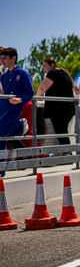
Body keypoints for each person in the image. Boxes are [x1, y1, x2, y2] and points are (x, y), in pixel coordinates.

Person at [0, 47, 34, 177]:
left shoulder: (23, 73)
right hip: (3, 106)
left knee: (2, 132)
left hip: (15, 108)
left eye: (4, 58)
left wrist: (20, 99)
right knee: (2, 133)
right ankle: (20, 126)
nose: (2, 61)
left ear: (13, 58)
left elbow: (30, 93)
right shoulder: (4, 76)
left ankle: (19, 125)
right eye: (1, 58)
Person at [36, 58, 75, 147]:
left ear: (52, 65)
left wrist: (35, 99)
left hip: (59, 109)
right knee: (62, 131)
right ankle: (67, 154)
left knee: (61, 131)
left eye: (45, 65)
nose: (43, 68)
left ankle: (67, 154)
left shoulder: (53, 73)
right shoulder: (63, 73)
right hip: (66, 108)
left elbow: (42, 88)